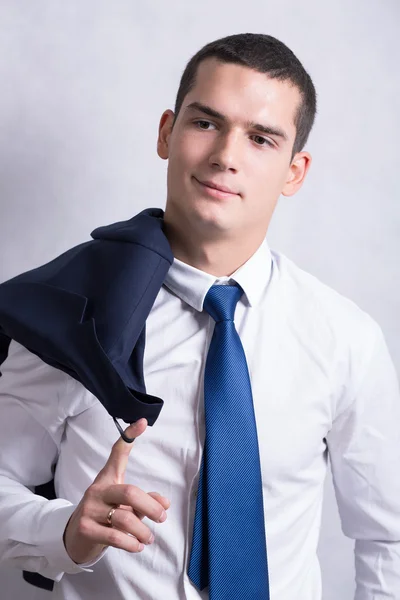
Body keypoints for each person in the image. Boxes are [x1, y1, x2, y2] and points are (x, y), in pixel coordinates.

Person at [0, 31, 399, 600]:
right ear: (167, 132)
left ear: (294, 170)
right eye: (206, 123)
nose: (225, 157)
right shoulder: (74, 315)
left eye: (261, 139)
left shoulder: (346, 339)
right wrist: (63, 530)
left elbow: (388, 536)